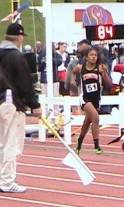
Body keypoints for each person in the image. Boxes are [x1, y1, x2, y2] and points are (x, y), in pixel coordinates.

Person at [0, 23, 42, 193]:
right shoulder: (16, 57)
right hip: (10, 103)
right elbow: (25, 83)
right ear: (19, 37)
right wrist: (35, 105)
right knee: (11, 142)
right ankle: (7, 181)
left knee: (1, 143)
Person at [71, 47, 111, 154]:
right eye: (91, 55)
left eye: (95, 55)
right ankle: (96, 146)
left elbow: (109, 84)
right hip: (85, 98)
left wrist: (104, 73)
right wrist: (73, 81)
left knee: (87, 122)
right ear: (86, 57)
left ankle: (79, 142)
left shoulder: (99, 68)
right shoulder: (81, 67)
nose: (94, 57)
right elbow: (73, 72)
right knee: (96, 118)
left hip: (96, 99)